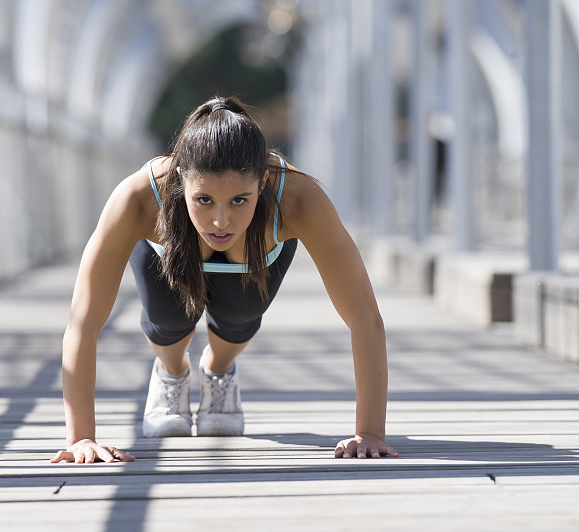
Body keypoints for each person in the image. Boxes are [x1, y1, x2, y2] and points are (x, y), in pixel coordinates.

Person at [50, 96, 398, 464]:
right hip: (170, 259)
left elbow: (365, 319)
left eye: (238, 201)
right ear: (181, 178)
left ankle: (217, 370)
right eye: (203, 200)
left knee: (238, 316)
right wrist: (81, 438)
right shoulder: (138, 198)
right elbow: (83, 322)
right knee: (169, 321)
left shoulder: (297, 199)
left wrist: (370, 432)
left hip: (253, 266)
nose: (220, 221)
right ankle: (172, 373)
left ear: (263, 182)